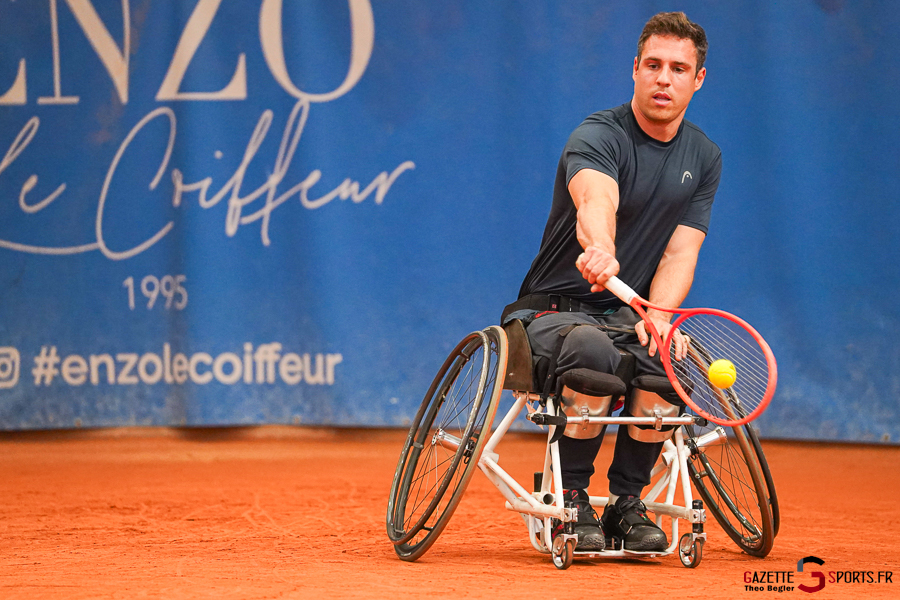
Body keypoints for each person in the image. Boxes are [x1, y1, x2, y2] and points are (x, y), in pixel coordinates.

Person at [501, 12, 721, 552]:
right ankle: (573, 496)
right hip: (550, 314)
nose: (663, 78)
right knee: (592, 349)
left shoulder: (704, 157)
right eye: (653, 65)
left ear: (698, 79)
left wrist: (661, 316)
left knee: (663, 359)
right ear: (635, 71)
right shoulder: (598, 134)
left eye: (678, 68)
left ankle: (628, 502)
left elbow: (680, 250)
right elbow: (596, 199)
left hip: (626, 315)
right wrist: (600, 248)